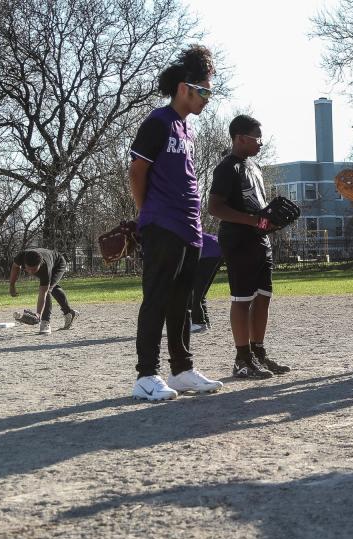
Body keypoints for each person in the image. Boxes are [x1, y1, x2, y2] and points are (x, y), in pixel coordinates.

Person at [128, 45, 223, 401]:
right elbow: (137, 171)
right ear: (185, 87)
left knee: (183, 301)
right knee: (156, 297)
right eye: (205, 90)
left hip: (189, 227)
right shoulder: (157, 122)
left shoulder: (186, 130)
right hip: (162, 224)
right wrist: (147, 214)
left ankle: (181, 369)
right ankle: (146, 375)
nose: (208, 98)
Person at [208, 114, 291, 378]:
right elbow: (215, 207)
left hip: (259, 240)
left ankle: (258, 353)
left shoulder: (254, 167)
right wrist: (254, 220)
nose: (261, 143)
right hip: (238, 239)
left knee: (263, 297)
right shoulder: (226, 167)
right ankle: (242, 359)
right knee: (242, 299)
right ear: (240, 138)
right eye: (257, 137)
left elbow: (259, 208)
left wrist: (270, 222)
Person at [9, 248, 78, 335]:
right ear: (24, 263)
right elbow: (15, 267)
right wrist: (12, 285)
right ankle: (69, 313)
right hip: (49, 260)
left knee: (48, 289)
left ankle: (45, 322)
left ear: (40, 264)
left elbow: (43, 293)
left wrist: (38, 314)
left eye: (34, 269)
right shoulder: (21, 257)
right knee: (52, 287)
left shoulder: (45, 267)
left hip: (58, 263)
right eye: (28, 268)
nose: (30, 272)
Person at [190, 231, 223, 333]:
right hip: (216, 248)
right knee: (200, 292)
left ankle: (199, 323)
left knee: (194, 291)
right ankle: (205, 322)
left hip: (210, 251)